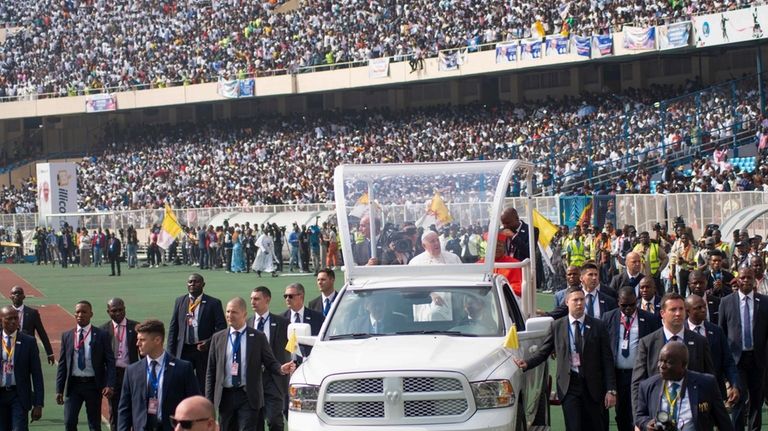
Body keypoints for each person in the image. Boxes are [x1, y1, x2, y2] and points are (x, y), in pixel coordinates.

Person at [513, 287, 616, 431]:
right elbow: (543, 353)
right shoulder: (557, 326)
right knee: (573, 427)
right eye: (575, 300)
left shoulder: (597, 326)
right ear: (567, 302)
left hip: (594, 388)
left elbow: (607, 359)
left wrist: (611, 390)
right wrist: (527, 363)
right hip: (569, 387)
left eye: (582, 299)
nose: (579, 303)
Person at [205, 298, 295, 431]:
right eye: (228, 311)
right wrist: (209, 401)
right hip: (225, 396)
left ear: (244, 314)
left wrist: (281, 368)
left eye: (234, 312)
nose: (229, 315)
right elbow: (211, 371)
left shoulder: (258, 337)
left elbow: (270, 362)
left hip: (247, 395)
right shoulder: (218, 338)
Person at [631, 292, 714, 412]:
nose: (678, 313)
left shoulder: (700, 342)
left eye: (681, 309)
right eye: (673, 309)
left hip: (692, 412)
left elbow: (709, 378)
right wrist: (638, 419)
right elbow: (637, 384)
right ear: (662, 313)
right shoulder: (647, 343)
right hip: (657, 412)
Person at [118, 319, 200, 431]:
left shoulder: (183, 368)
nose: (137, 344)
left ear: (157, 340)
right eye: (138, 340)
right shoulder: (132, 371)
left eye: (142, 340)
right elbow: (124, 409)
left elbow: (194, 403)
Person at [634, 342, 734, 431]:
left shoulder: (706, 384)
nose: (662, 366)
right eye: (660, 361)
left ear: (683, 365)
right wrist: (646, 423)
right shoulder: (648, 385)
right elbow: (640, 416)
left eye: (668, 362)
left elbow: (724, 422)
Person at [601, 287, 661, 431]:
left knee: (639, 414)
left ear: (637, 301)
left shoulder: (649, 319)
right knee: (621, 414)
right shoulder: (608, 318)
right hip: (618, 375)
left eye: (632, 305)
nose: (628, 308)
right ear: (618, 303)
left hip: (640, 375)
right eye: (624, 305)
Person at [718, 267, 768, 431]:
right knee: (738, 400)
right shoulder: (726, 302)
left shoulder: (764, 301)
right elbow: (722, 332)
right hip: (736, 360)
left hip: (758, 359)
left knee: (756, 401)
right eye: (743, 277)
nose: (746, 280)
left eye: (749, 277)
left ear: (754, 280)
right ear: (737, 280)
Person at [56, 300, 116, 431]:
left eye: (84, 312)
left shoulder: (101, 335)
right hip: (73, 386)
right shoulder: (67, 336)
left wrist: (109, 384)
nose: (80, 315)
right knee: (69, 422)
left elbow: (110, 361)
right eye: (77, 312)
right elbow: (62, 364)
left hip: (93, 386)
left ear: (91, 314)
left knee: (94, 424)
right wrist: (59, 389)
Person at [167, 274, 226, 392]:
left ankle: (204, 408)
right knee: (181, 383)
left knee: (204, 384)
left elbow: (222, 328)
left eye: (196, 282)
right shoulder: (180, 301)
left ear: (203, 285)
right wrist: (170, 353)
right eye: (190, 282)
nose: (192, 284)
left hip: (202, 351)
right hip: (184, 350)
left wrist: (208, 342)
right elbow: (173, 328)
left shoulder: (213, 303)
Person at [685, 294, 740, 405]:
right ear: (688, 311)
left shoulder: (716, 331)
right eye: (698, 308)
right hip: (689, 393)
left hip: (715, 391)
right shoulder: (681, 332)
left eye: (704, 306)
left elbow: (728, 361)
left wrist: (734, 385)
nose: (703, 310)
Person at [247, 287, 289, 431]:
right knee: (255, 422)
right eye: (251, 298)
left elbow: (292, 348)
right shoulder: (247, 323)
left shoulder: (282, 323)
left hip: (274, 379)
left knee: (274, 420)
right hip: (253, 381)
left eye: (257, 299)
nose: (253, 302)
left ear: (267, 299)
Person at [0, 305, 44, 430]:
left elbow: (37, 374)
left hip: (19, 395)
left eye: (15, 318)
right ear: (1, 320)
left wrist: (38, 404)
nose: (13, 321)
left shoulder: (28, 341)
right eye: (9, 318)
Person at [101, 298, 139, 431]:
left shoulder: (135, 328)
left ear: (125, 309)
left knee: (135, 408)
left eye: (120, 310)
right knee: (115, 410)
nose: (118, 313)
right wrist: (106, 382)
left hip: (131, 373)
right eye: (114, 310)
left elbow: (143, 355)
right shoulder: (103, 331)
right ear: (108, 312)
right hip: (113, 375)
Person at [9, 286, 54, 365]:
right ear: (10, 297)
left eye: (19, 293)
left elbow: (42, 333)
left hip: (27, 349)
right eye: (14, 293)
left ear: (24, 297)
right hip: (9, 348)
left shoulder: (32, 313)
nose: (16, 295)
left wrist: (49, 353)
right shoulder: (4, 312)